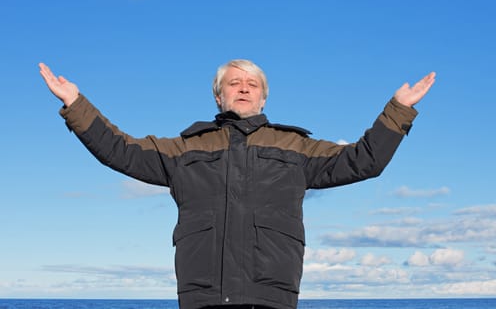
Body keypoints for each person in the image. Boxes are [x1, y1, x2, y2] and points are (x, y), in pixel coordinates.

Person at [39, 60, 435, 309]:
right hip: (202, 294)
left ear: (263, 99)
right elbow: (118, 150)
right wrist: (76, 104)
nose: (243, 88)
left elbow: (363, 160)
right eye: (233, 82)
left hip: (271, 294)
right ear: (218, 95)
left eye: (252, 84)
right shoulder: (183, 150)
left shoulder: (296, 147)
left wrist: (398, 110)